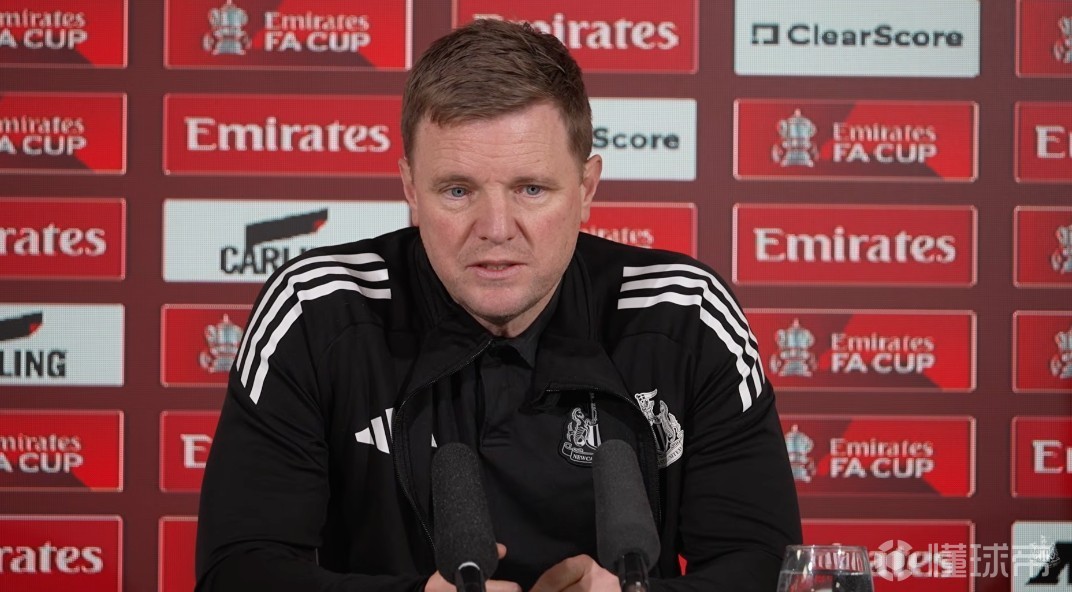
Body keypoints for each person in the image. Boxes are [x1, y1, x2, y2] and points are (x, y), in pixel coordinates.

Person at [195, 17, 801, 592]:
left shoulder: (685, 312)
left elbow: (768, 570)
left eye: (531, 188)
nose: (496, 228)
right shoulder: (317, 309)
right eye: (457, 190)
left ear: (586, 188)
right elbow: (238, 571)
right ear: (410, 188)